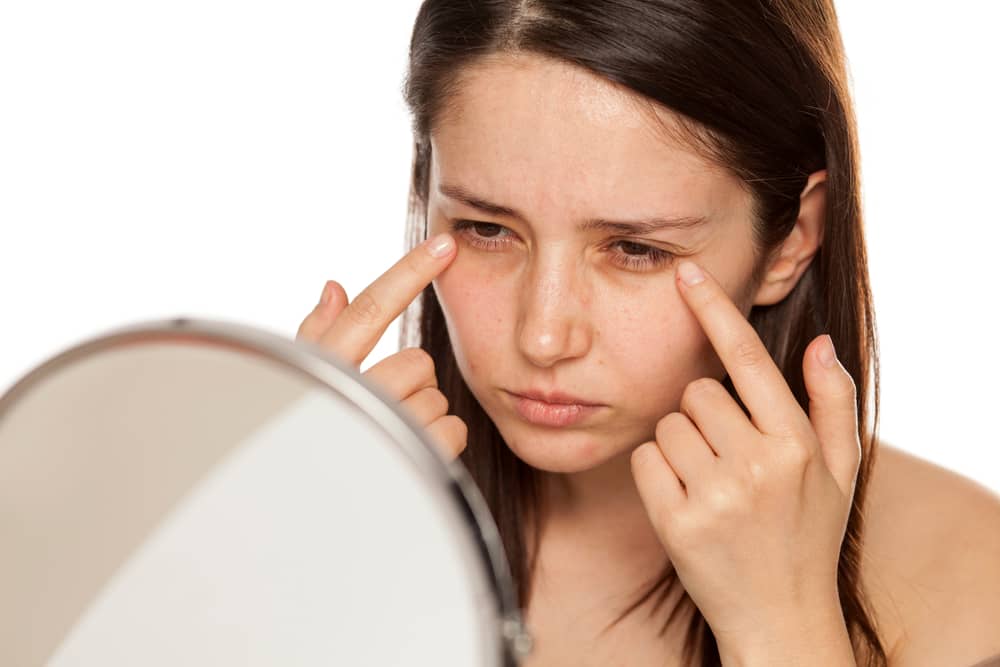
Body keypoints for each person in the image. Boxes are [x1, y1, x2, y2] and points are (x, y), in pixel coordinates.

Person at [296, 1, 1000, 665]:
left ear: (791, 240)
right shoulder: (319, 521)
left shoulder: (971, 580)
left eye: (636, 248)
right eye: (486, 229)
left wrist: (786, 627)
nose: (543, 337)